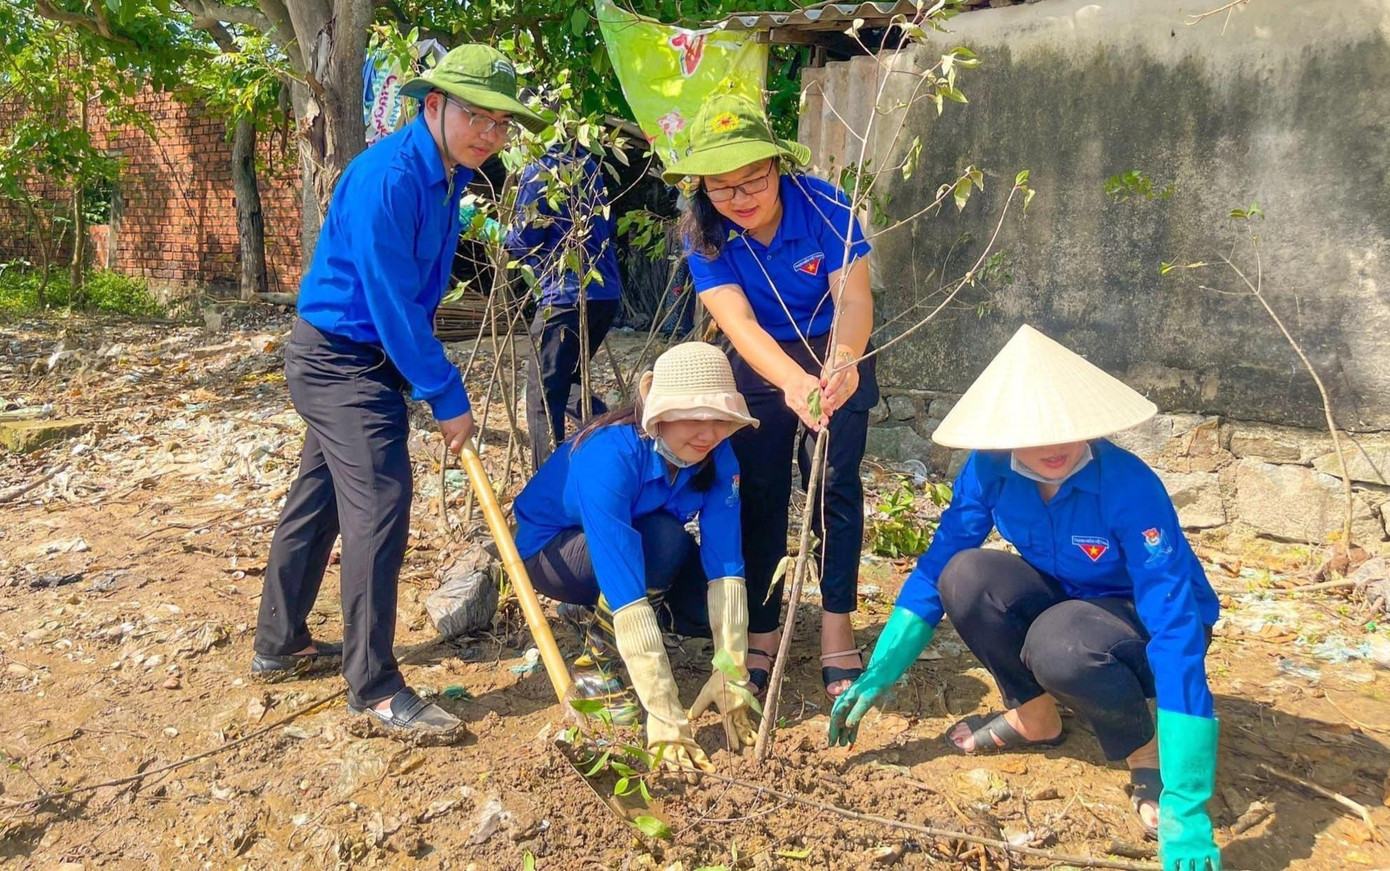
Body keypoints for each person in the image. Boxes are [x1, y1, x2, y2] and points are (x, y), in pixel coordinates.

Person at [829, 325, 1222, 870]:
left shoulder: (1130, 486)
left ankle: (1145, 750)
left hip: (1141, 623)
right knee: (965, 576)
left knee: (1061, 647)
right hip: (1065, 602)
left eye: (1066, 429)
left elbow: (1175, 623)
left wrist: (1190, 803)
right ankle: (1037, 718)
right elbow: (937, 567)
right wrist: (880, 672)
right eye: (1032, 432)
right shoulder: (989, 470)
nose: (1053, 446)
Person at [250, 45, 548, 740]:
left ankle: (280, 641)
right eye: (476, 116)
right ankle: (376, 687)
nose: (489, 134)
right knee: (381, 498)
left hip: (366, 357)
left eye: (501, 123)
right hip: (338, 360)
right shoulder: (389, 177)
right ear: (433, 105)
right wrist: (445, 393)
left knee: (319, 495)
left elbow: (408, 303)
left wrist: (425, 379)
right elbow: (391, 304)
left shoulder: (447, 176)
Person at [666, 93, 879, 700]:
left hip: (837, 345)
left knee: (833, 485)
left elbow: (855, 302)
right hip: (762, 362)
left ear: (777, 167)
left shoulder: (826, 205)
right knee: (758, 490)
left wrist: (841, 364)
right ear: (702, 188)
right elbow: (741, 326)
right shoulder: (703, 236)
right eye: (721, 187)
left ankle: (837, 627)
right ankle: (761, 630)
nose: (741, 197)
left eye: (754, 178)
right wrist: (789, 382)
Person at [512, 342, 759, 776]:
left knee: (700, 610)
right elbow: (622, 575)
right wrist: (664, 710)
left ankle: (604, 620)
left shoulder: (720, 457)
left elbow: (726, 565)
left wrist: (732, 670)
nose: (708, 433)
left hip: (636, 547)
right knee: (664, 539)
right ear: (658, 414)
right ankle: (600, 666)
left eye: (719, 420)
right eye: (693, 418)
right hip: (554, 553)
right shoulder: (608, 453)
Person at [506, 143, 624, 468]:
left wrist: (496, 233)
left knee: (542, 397)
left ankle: (549, 484)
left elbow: (522, 241)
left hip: (565, 297)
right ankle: (614, 441)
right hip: (603, 294)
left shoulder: (540, 169)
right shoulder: (589, 166)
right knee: (568, 385)